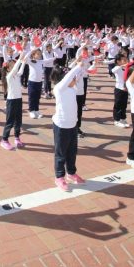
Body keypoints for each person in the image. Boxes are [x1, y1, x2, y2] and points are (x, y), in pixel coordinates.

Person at [50, 58, 85, 191]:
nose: (73, 79)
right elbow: (70, 76)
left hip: (72, 125)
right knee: (61, 153)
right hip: (61, 125)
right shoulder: (59, 88)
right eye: (70, 77)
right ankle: (59, 177)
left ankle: (71, 172)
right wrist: (77, 66)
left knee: (72, 151)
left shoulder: (72, 88)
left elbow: (77, 76)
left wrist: (81, 67)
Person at [0, 54, 27, 150]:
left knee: (18, 120)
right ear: (8, 69)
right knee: (10, 121)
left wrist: (23, 61)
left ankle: (17, 137)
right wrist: (20, 59)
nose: (14, 66)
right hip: (11, 101)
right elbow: (16, 68)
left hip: (18, 100)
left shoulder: (16, 76)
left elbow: (20, 70)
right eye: (12, 65)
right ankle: (4, 140)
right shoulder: (9, 76)